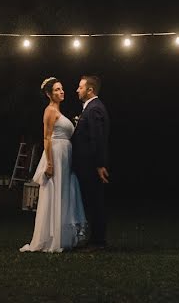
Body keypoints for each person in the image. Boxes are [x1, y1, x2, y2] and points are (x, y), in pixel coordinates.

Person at [20, 77, 86, 253]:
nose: (61, 92)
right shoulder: (49, 111)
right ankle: (50, 238)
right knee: (54, 191)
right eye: (57, 89)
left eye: (62, 88)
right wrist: (49, 163)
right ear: (49, 94)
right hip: (56, 155)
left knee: (64, 192)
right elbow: (47, 137)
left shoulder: (59, 111)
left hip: (65, 155)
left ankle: (62, 236)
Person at [71, 74, 110, 249]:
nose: (77, 90)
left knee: (95, 202)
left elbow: (97, 138)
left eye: (80, 87)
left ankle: (98, 241)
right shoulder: (91, 108)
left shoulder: (94, 109)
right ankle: (95, 239)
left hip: (90, 165)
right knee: (91, 201)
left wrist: (99, 165)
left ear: (90, 90)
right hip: (88, 164)